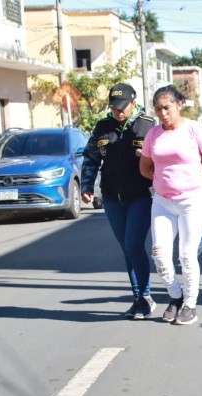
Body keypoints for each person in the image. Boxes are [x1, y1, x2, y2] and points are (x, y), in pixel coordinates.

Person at [139, 85, 202, 325]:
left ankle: (190, 304)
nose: (163, 113)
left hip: (192, 202)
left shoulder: (194, 129)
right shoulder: (154, 134)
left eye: (167, 107)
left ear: (179, 105)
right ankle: (175, 297)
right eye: (158, 109)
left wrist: (194, 179)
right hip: (163, 203)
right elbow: (145, 168)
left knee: (186, 255)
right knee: (160, 254)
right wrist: (162, 181)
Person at [80, 83, 157, 320]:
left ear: (133, 103)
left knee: (134, 245)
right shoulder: (103, 127)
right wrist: (86, 186)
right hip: (112, 197)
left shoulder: (148, 125)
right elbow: (91, 158)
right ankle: (138, 298)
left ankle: (145, 297)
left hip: (140, 195)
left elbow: (161, 157)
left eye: (122, 107)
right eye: (114, 108)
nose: (118, 112)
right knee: (126, 248)